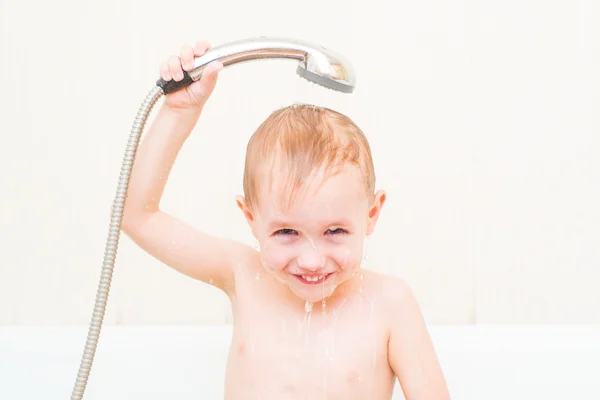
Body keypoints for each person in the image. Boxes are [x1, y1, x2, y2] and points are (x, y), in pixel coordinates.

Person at [122, 39, 450, 400]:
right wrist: (179, 112)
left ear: (371, 215)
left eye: (335, 231)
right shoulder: (244, 274)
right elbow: (138, 217)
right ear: (250, 218)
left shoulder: (390, 304)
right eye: (287, 232)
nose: (311, 260)